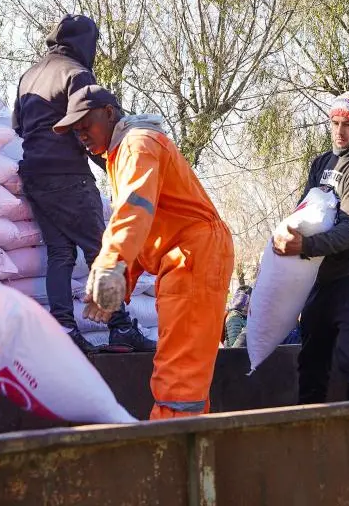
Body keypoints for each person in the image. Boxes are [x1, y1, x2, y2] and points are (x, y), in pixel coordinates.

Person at [55, 84, 234, 420]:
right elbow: (143, 229)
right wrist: (119, 285)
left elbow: (134, 210)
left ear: (109, 113)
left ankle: (171, 453)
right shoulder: (126, 153)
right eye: (74, 129)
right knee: (181, 368)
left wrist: (110, 267)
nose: (80, 133)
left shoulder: (138, 146)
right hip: (185, 256)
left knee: (179, 372)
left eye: (85, 123)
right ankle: (187, 447)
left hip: (192, 255)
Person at [13, 14, 154, 355]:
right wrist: (116, 165)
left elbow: (19, 127)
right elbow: (90, 128)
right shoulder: (76, 74)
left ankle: (63, 328)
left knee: (60, 253)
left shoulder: (28, 76)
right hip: (68, 175)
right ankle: (120, 327)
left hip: (33, 173)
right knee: (100, 250)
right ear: (86, 43)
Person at [272, 90, 349, 404]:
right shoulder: (323, 162)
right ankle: (309, 424)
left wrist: (305, 245)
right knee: (311, 355)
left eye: (348, 125)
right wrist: (286, 232)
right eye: (334, 123)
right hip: (324, 276)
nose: (339, 131)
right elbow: (304, 207)